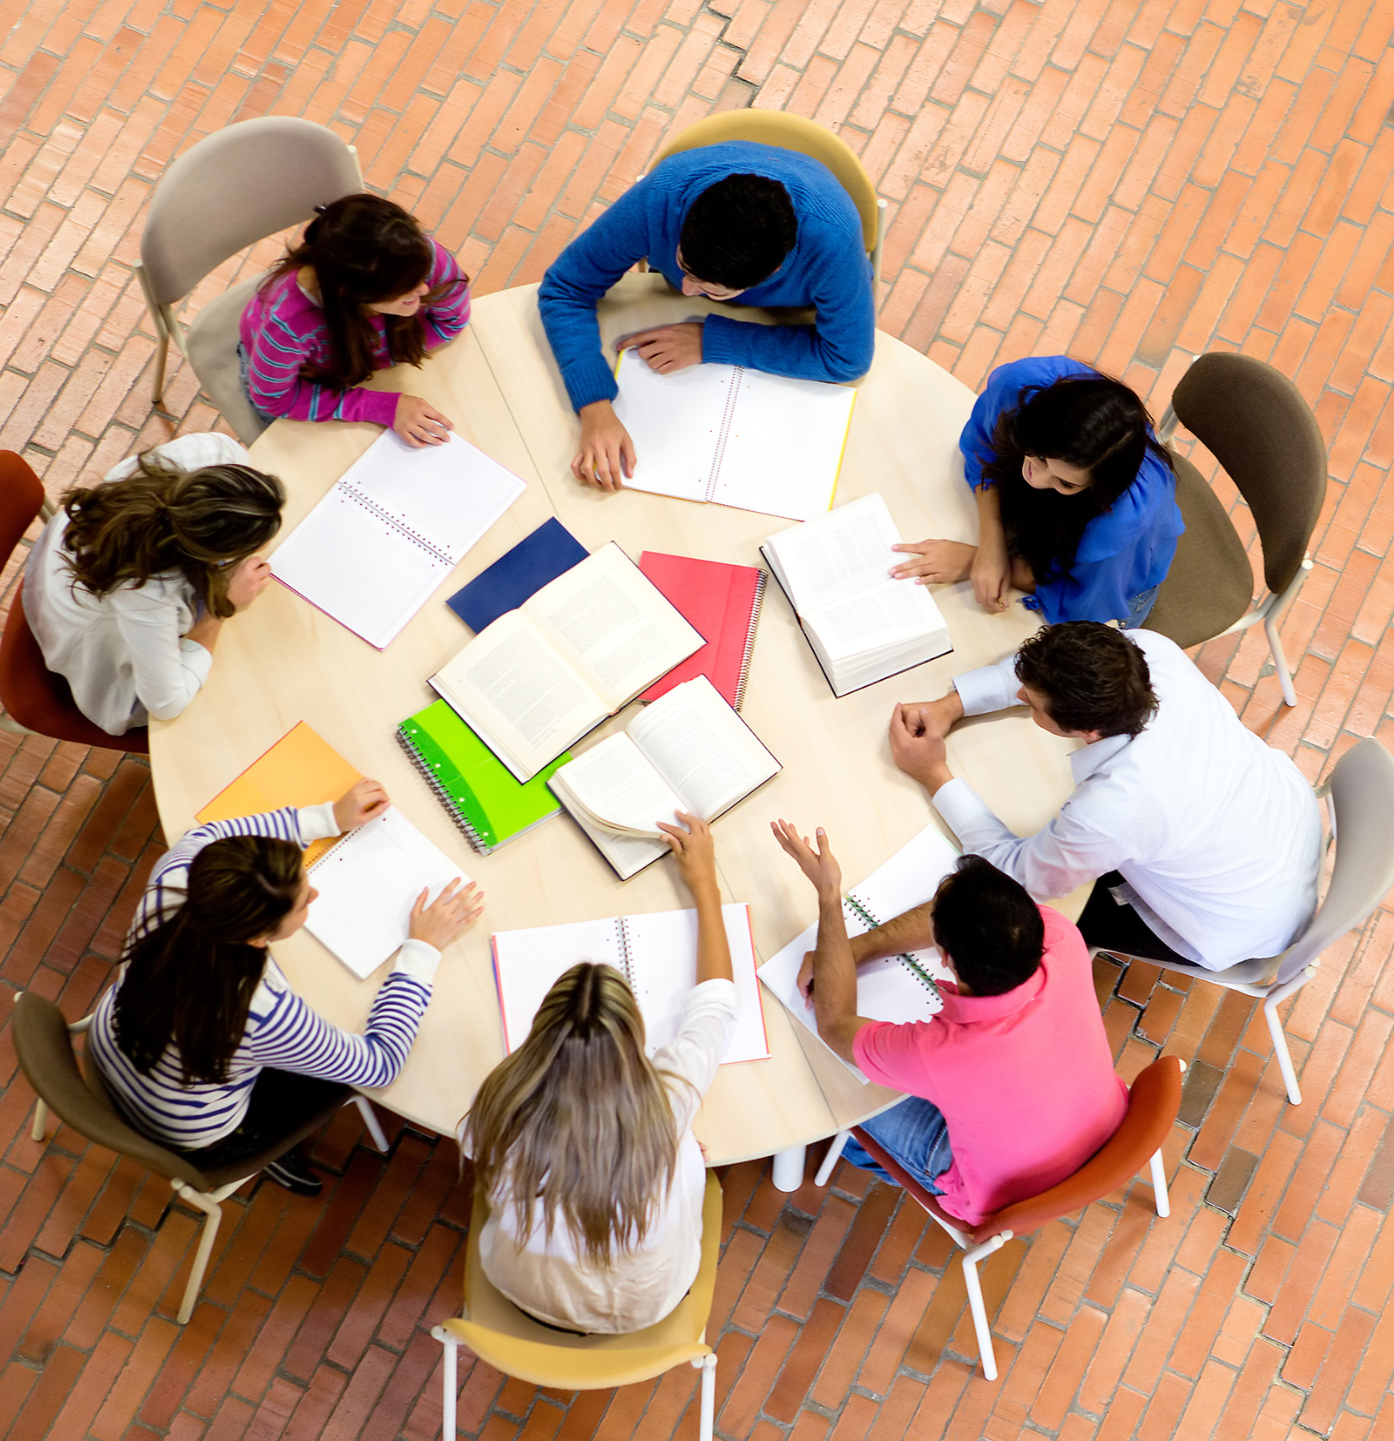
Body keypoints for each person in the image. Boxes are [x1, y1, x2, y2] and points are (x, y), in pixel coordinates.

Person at [90, 784, 483, 1195]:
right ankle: (272, 1152)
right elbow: (381, 1064)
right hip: (194, 1133)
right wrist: (421, 949)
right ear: (259, 937)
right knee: (340, 1075)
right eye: (303, 903)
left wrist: (328, 818)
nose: (315, 892)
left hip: (115, 1045)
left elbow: (207, 837)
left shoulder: (178, 877)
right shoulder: (261, 1009)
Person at [888, 621, 1322, 972]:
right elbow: (1033, 673)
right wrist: (953, 705)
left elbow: (1012, 877)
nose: (1020, 697)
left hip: (1239, 919)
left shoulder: (1113, 809)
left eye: (1033, 706)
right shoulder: (1147, 652)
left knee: (1013, 928)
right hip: (1282, 823)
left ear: (1087, 731)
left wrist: (933, 774)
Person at [461, 812, 736, 1334]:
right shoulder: (668, 1100)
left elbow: (480, 1147)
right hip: (647, 1305)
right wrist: (705, 884)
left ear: (541, 1034)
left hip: (519, 1289)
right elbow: (718, 1005)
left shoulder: (498, 1105)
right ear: (635, 1040)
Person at [771, 824, 1127, 1220]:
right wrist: (852, 950)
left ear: (947, 959)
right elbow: (958, 917)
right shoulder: (1056, 934)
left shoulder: (942, 1052)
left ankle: (862, 1155)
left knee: (845, 1092)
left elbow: (835, 1023)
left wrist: (829, 896)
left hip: (1002, 1194)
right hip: (1103, 1128)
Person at [537, 143, 876, 490]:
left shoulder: (835, 244)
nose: (684, 290)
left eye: (710, 290)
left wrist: (711, 340)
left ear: (772, 272)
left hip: (786, 314)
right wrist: (594, 406)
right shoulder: (663, 197)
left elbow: (847, 358)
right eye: (683, 267)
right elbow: (565, 287)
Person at [23, 433, 284, 737]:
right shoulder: (146, 593)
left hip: (70, 557)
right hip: (88, 638)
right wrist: (218, 611)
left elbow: (235, 455)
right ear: (207, 554)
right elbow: (166, 703)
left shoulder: (207, 455)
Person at [891, 357, 1183, 627]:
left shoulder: (1119, 520)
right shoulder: (1024, 387)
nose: (1036, 481)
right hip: (1043, 531)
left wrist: (972, 560)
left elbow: (1081, 605)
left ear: (1097, 487)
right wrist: (991, 546)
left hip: (1104, 587)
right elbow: (983, 450)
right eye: (1040, 457)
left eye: (1066, 483)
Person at [239, 193, 470, 447]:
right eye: (404, 292)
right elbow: (274, 399)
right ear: (351, 296)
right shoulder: (286, 326)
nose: (425, 290)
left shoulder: (420, 256)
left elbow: (452, 319)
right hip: (299, 379)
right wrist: (380, 406)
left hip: (354, 366)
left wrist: (383, 358)